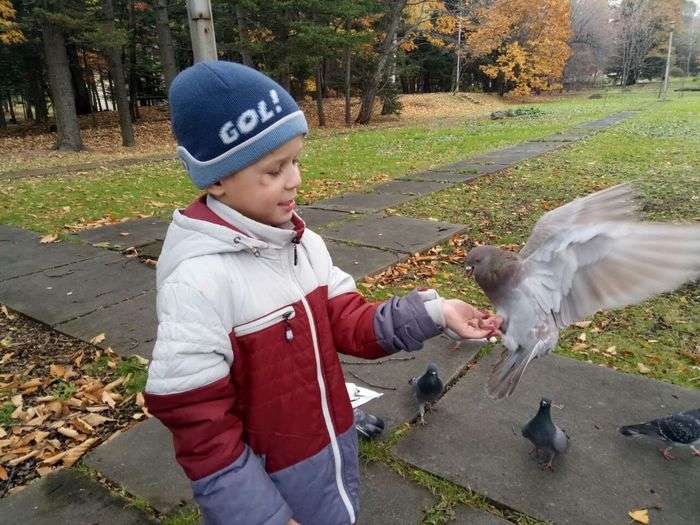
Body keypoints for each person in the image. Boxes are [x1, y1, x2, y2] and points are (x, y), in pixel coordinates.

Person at [143, 61, 501, 525]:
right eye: (273, 169)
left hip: (329, 461)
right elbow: (202, 432)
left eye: (296, 160)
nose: (294, 180)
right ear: (216, 179)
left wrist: (436, 311)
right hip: (273, 491)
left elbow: (349, 322)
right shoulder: (198, 283)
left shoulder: (303, 246)